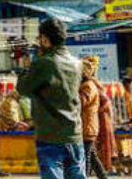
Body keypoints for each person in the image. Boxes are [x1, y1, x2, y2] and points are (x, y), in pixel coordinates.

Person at [16, 18, 85, 179]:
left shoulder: (44, 63)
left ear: (45, 39)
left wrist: (27, 68)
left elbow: (24, 89)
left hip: (50, 135)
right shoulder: (77, 63)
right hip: (74, 133)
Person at [78, 58, 108, 179]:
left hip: (87, 125)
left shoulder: (88, 86)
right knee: (91, 155)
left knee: (85, 156)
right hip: (86, 125)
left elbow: (81, 102)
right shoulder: (85, 85)